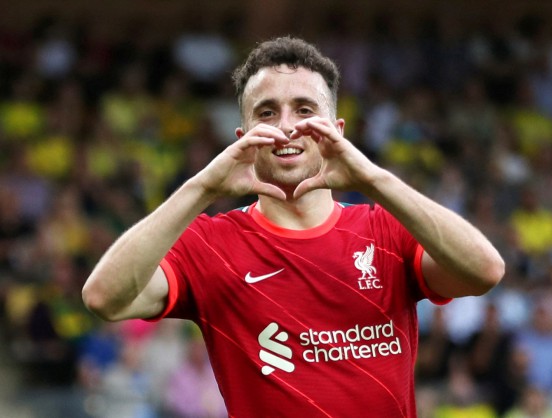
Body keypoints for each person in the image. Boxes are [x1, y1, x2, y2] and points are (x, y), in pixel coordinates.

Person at [82, 36, 504, 417]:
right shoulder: (210, 244)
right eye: (267, 113)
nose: (286, 127)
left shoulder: (388, 231)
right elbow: (105, 298)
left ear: (336, 130)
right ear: (243, 136)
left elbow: (484, 271)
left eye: (305, 110)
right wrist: (202, 187)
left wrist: (374, 179)